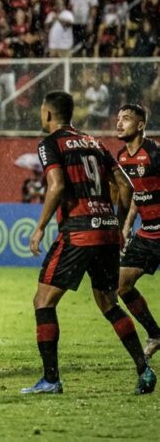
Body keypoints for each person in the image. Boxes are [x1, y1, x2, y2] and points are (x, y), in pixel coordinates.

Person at [24, 91, 155, 395]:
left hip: (79, 231)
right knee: (109, 303)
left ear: (47, 114)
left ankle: (51, 379)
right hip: (107, 230)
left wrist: (40, 227)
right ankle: (143, 369)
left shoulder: (51, 143)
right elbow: (123, 184)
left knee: (43, 301)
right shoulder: (95, 143)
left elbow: (56, 186)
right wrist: (117, 220)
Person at [114, 104, 160, 359]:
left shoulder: (154, 153)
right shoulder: (122, 157)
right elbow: (136, 195)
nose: (119, 123)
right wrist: (127, 224)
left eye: (127, 119)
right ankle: (155, 334)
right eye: (118, 119)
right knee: (122, 285)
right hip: (148, 234)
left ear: (141, 125)